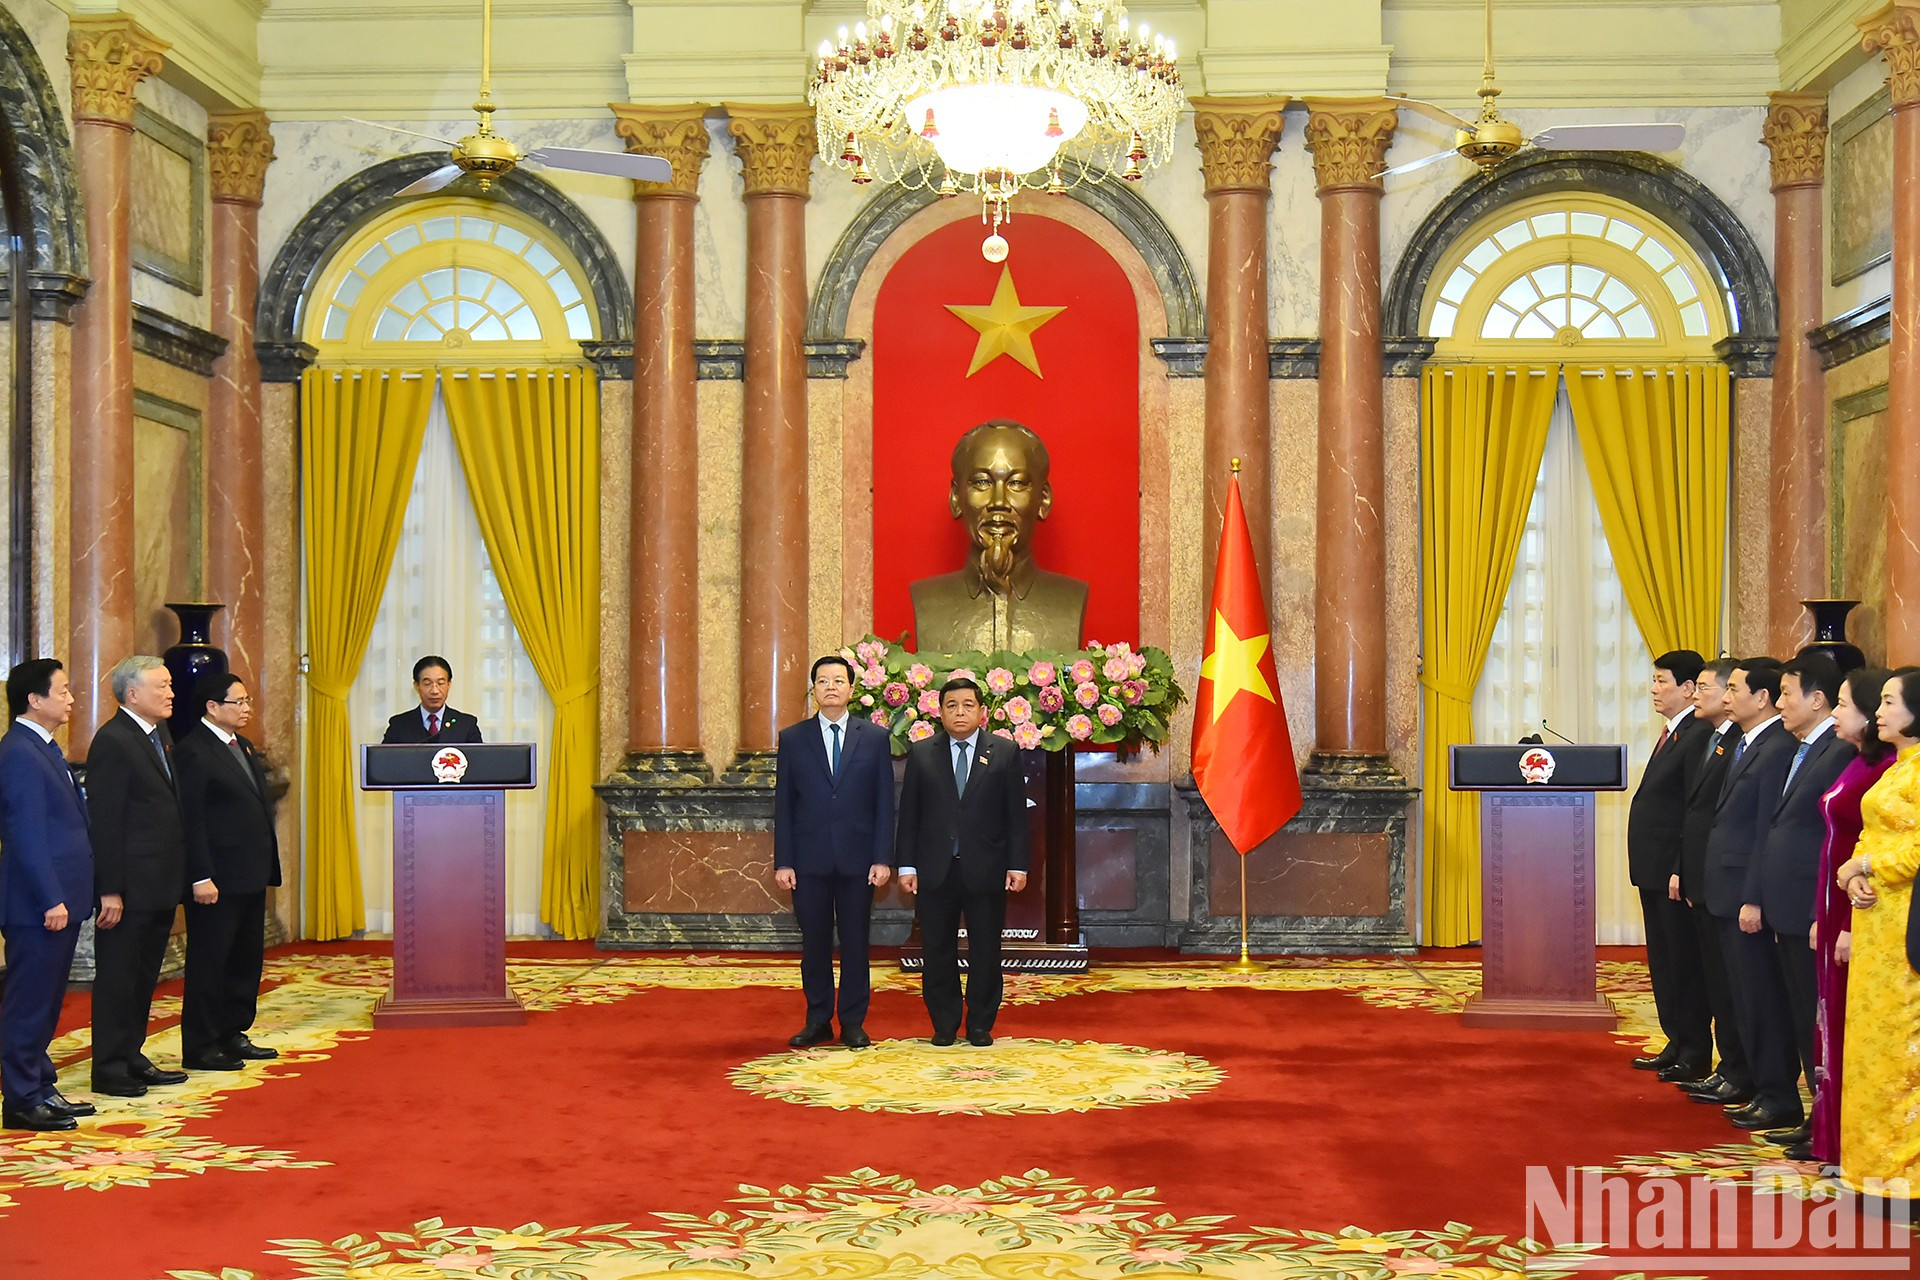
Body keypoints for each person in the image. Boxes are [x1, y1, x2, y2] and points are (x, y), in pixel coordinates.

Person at [1750, 653, 1854, 1157]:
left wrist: (1821, 911)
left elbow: (1831, 839)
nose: (1781, 702)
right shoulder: (1802, 748)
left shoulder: (1836, 752)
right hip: (1788, 903)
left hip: (1811, 907)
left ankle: (1823, 1122)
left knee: (1814, 1016)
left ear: (1818, 699)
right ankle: (1814, 1117)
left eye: (1787, 693)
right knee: (1798, 1013)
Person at [895, 678, 1030, 1046]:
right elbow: (909, 814)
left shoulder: (1003, 751)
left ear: (982, 712)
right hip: (935, 869)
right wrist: (906, 865)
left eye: (968, 705)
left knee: (986, 948)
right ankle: (944, 1022)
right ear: (939, 712)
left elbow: (1016, 815)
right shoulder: (922, 753)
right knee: (937, 948)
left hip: (986, 867)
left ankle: (981, 1023)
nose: (960, 712)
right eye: (951, 705)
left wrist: (1018, 865)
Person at [1698, 658, 1801, 1132]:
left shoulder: (1778, 747)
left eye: (1735, 688)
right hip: (1725, 886)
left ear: (1761, 698)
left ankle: (1777, 1094)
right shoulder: (1743, 742)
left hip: (1746, 890)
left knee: (1760, 997)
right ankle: (1751, 1080)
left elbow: (1766, 827)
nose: (1727, 696)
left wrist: (1755, 896)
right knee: (1738, 994)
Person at [771, 655, 895, 1049]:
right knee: (815, 944)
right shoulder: (793, 738)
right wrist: (784, 860)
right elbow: (784, 804)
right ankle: (818, 1020)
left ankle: (854, 1022)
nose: (830, 687)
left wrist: (882, 857)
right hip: (808, 861)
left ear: (851, 689)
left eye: (838, 680)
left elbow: (883, 803)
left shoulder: (874, 738)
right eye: (822, 681)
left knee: (856, 943)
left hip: (860, 862)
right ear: (814, 691)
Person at [87, 656, 197, 1097]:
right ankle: (110, 1067)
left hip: (158, 883)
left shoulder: (158, 734)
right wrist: (109, 889)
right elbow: (107, 821)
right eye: (162, 686)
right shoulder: (113, 741)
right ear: (133, 694)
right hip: (128, 888)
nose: (171, 693)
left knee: (144, 975)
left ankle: (132, 1055)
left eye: (170, 685)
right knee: (118, 977)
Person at [1834, 669, 1920, 1198]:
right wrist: (1851, 875)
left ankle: (1904, 1178)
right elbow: (1867, 835)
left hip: (1907, 921)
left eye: (1890, 701)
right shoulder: (1893, 770)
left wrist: (1867, 865)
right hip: (1874, 920)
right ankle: (1869, 1170)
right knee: (1870, 1046)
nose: (1880, 711)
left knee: (1903, 1046)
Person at [0, 660, 95, 1132]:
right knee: (28, 1002)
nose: (71, 699)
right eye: (62, 691)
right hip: (37, 904)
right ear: (34, 700)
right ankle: (20, 1099)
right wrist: (49, 898)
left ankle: (40, 1084)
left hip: (59, 898)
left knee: (48, 1000)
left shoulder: (43, 747)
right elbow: (26, 834)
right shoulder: (18, 751)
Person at [1808, 666, 1894, 1169]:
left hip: (1861, 907)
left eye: (1843, 704)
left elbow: (1882, 847)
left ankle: (1849, 1143)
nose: (1836, 712)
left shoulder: (1889, 770)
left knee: (1847, 1022)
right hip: (1835, 895)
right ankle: (1834, 1139)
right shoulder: (1856, 760)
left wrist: (1845, 925)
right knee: (1830, 1022)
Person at [174, 673, 281, 1072]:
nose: (246, 707)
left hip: (248, 875)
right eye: (238, 701)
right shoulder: (194, 752)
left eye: (247, 699)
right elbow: (192, 821)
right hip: (216, 879)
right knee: (210, 961)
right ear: (212, 707)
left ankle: (232, 1032)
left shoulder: (244, 746)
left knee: (244, 958)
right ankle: (201, 1045)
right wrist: (200, 875)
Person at [910, 420, 1089, 654]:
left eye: (1016, 483)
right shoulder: (928, 600)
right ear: (956, 498)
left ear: (1043, 499)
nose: (998, 502)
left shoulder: (1070, 600)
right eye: (982, 482)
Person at [1626, 648, 1713, 1081]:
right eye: (1654, 680)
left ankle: (1694, 1049)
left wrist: (1681, 864)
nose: (1654, 689)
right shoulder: (1672, 733)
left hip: (1674, 872)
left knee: (1683, 961)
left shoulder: (1698, 735)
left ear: (1689, 688)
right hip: (1654, 868)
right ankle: (1676, 1041)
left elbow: (1693, 810)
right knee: (1663, 959)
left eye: (1662, 681)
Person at [1674, 658, 1752, 1104]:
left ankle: (1741, 1070)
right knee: (1719, 983)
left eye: (1719, 688)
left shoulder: (1752, 744)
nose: (1715, 696)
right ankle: (1731, 1066)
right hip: (1706, 878)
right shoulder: (1720, 740)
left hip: (1730, 882)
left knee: (1733, 986)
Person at [381, 656, 482, 744]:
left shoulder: (466, 725)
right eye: (427, 683)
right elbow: (384, 761)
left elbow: (479, 762)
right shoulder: (399, 725)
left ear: (449, 685)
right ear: (417, 686)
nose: (434, 691)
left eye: (441, 683)